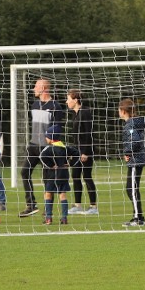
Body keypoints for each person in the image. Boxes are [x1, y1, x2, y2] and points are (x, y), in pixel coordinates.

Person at [19, 78, 65, 218]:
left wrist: (50, 143)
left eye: (36, 86)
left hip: (47, 147)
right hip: (34, 146)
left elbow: (57, 128)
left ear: (43, 88)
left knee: (47, 178)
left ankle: (48, 208)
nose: (33, 88)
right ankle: (31, 205)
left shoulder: (56, 106)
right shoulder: (34, 104)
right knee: (24, 172)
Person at [39, 125, 80, 225]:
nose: (46, 138)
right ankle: (64, 218)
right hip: (63, 174)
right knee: (62, 194)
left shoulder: (49, 149)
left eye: (47, 137)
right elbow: (77, 153)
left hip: (52, 175)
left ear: (51, 138)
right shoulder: (65, 147)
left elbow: (42, 157)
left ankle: (48, 217)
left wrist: (51, 165)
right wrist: (70, 164)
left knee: (48, 193)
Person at [66, 89, 98, 215]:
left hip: (86, 151)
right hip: (77, 151)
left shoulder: (85, 112)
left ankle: (93, 207)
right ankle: (77, 205)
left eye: (68, 99)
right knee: (75, 175)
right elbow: (76, 136)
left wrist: (85, 152)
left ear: (75, 100)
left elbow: (88, 134)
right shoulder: (75, 113)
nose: (66, 101)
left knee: (87, 176)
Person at [119, 98, 145, 227]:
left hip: (135, 160)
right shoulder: (133, 123)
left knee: (131, 189)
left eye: (119, 110)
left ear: (124, 111)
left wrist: (127, 153)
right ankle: (138, 216)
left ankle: (138, 218)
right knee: (132, 188)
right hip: (136, 160)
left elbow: (135, 141)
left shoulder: (130, 124)